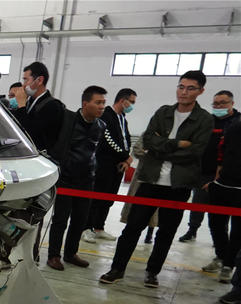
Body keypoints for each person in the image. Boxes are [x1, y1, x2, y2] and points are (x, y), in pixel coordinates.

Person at [100, 71, 214, 288]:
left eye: (190, 88)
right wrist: (178, 144)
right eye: (181, 86)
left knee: (166, 232)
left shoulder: (204, 119)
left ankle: (152, 272)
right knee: (132, 228)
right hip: (150, 181)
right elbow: (149, 141)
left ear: (200, 91)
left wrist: (161, 148)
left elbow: (195, 152)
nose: (184, 92)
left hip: (178, 185)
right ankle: (117, 268)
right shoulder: (163, 112)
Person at [46, 86, 107, 271]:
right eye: (98, 102)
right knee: (60, 219)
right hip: (66, 179)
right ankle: (53, 255)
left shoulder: (101, 126)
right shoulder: (68, 120)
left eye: (103, 103)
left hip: (87, 180)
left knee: (80, 220)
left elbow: (96, 152)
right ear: (85, 103)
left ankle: (71, 253)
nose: (102, 106)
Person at [13, 62, 66, 262]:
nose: (24, 84)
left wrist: (21, 106)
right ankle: (16, 253)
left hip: (40, 168)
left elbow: (30, 134)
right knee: (19, 213)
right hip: (25, 168)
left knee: (33, 216)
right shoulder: (33, 103)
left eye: (26, 79)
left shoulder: (51, 106)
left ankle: (30, 256)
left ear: (39, 80)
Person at [179, 90, 238, 245]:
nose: (218, 106)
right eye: (215, 103)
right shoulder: (208, 121)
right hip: (204, 171)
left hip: (227, 177)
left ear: (232, 103)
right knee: (198, 203)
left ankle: (221, 239)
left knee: (222, 210)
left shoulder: (237, 123)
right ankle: (192, 230)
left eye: (222, 103)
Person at [83, 88, 137, 243]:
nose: (132, 106)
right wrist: (126, 156)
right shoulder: (106, 116)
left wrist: (126, 160)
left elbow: (126, 140)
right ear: (122, 100)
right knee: (96, 197)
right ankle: (86, 228)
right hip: (103, 164)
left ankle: (99, 227)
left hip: (118, 166)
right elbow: (108, 140)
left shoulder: (122, 118)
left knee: (109, 198)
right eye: (131, 102)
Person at [206, 119, 241, 284]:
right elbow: (222, 154)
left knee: (238, 231)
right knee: (215, 224)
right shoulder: (234, 128)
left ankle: (228, 265)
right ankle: (222, 256)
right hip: (223, 184)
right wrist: (216, 180)